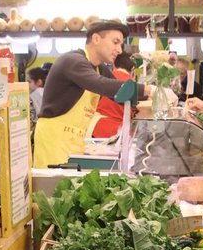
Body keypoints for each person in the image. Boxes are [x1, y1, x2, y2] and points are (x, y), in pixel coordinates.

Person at [33, 20, 150, 167]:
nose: (119, 50)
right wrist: (147, 89)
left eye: (120, 44)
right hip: (54, 140)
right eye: (115, 42)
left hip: (75, 141)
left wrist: (150, 100)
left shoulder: (98, 68)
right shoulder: (73, 60)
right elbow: (101, 84)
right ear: (96, 39)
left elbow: (119, 93)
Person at [90, 50, 135, 138]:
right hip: (117, 132)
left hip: (95, 127)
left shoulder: (103, 79)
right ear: (132, 69)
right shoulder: (132, 84)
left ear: (114, 64)